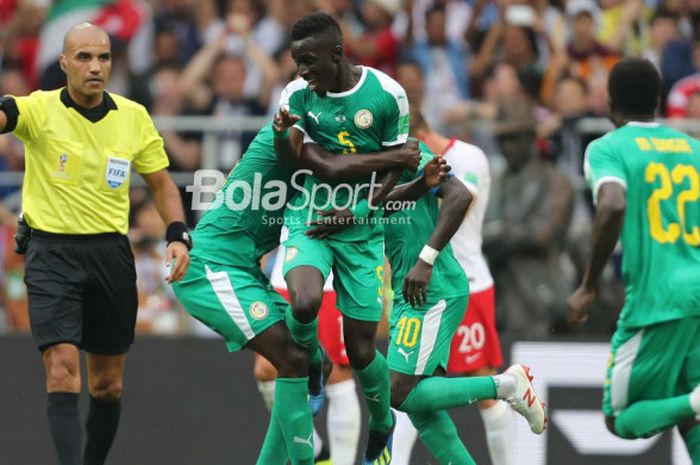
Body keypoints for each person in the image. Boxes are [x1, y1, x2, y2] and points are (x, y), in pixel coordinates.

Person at [173, 118, 421, 465]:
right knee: (294, 360)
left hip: (245, 269)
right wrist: (394, 156)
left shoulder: (325, 155)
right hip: (211, 268)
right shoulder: (295, 138)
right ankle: (315, 453)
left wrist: (415, 175)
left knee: (299, 361)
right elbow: (332, 166)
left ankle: (319, 443)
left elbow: (374, 193)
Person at [0, 23, 191, 465]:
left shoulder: (132, 116)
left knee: (108, 385)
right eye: (84, 57)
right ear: (64, 62)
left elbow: (162, 184)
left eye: (103, 58)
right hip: (51, 253)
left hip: (109, 253)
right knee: (63, 371)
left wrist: (177, 234)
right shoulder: (39, 110)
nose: (95, 67)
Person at [274, 12, 411, 465]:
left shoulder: (388, 95)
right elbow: (295, 164)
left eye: (309, 61)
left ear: (337, 53)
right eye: (297, 62)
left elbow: (399, 165)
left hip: (362, 229)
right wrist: (280, 138)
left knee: (361, 346)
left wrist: (355, 210)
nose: (302, 72)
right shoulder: (296, 94)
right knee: (304, 302)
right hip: (310, 215)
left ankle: (382, 422)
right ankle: (314, 361)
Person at [355, 141, 546, 465]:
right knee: (421, 406)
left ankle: (507, 385)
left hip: (432, 288)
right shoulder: (355, 165)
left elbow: (460, 195)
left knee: (398, 391)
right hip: (406, 291)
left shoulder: (412, 155)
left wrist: (426, 259)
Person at [568, 57, 700, 462]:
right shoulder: (693, 148)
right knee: (688, 415)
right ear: (658, 101)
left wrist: (588, 284)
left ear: (610, 103)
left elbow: (611, 204)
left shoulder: (607, 148)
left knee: (620, 418)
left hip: (656, 299)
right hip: (697, 290)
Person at [407, 110, 515, 465]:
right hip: (418, 286)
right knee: (407, 382)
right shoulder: (410, 166)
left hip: (464, 282)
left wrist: (405, 187)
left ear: (418, 134)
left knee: (482, 386)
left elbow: (454, 205)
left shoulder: (468, 157)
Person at [253, 236, 362, 465]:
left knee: (336, 374)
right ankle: (318, 452)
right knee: (266, 369)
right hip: (285, 271)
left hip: (335, 274)